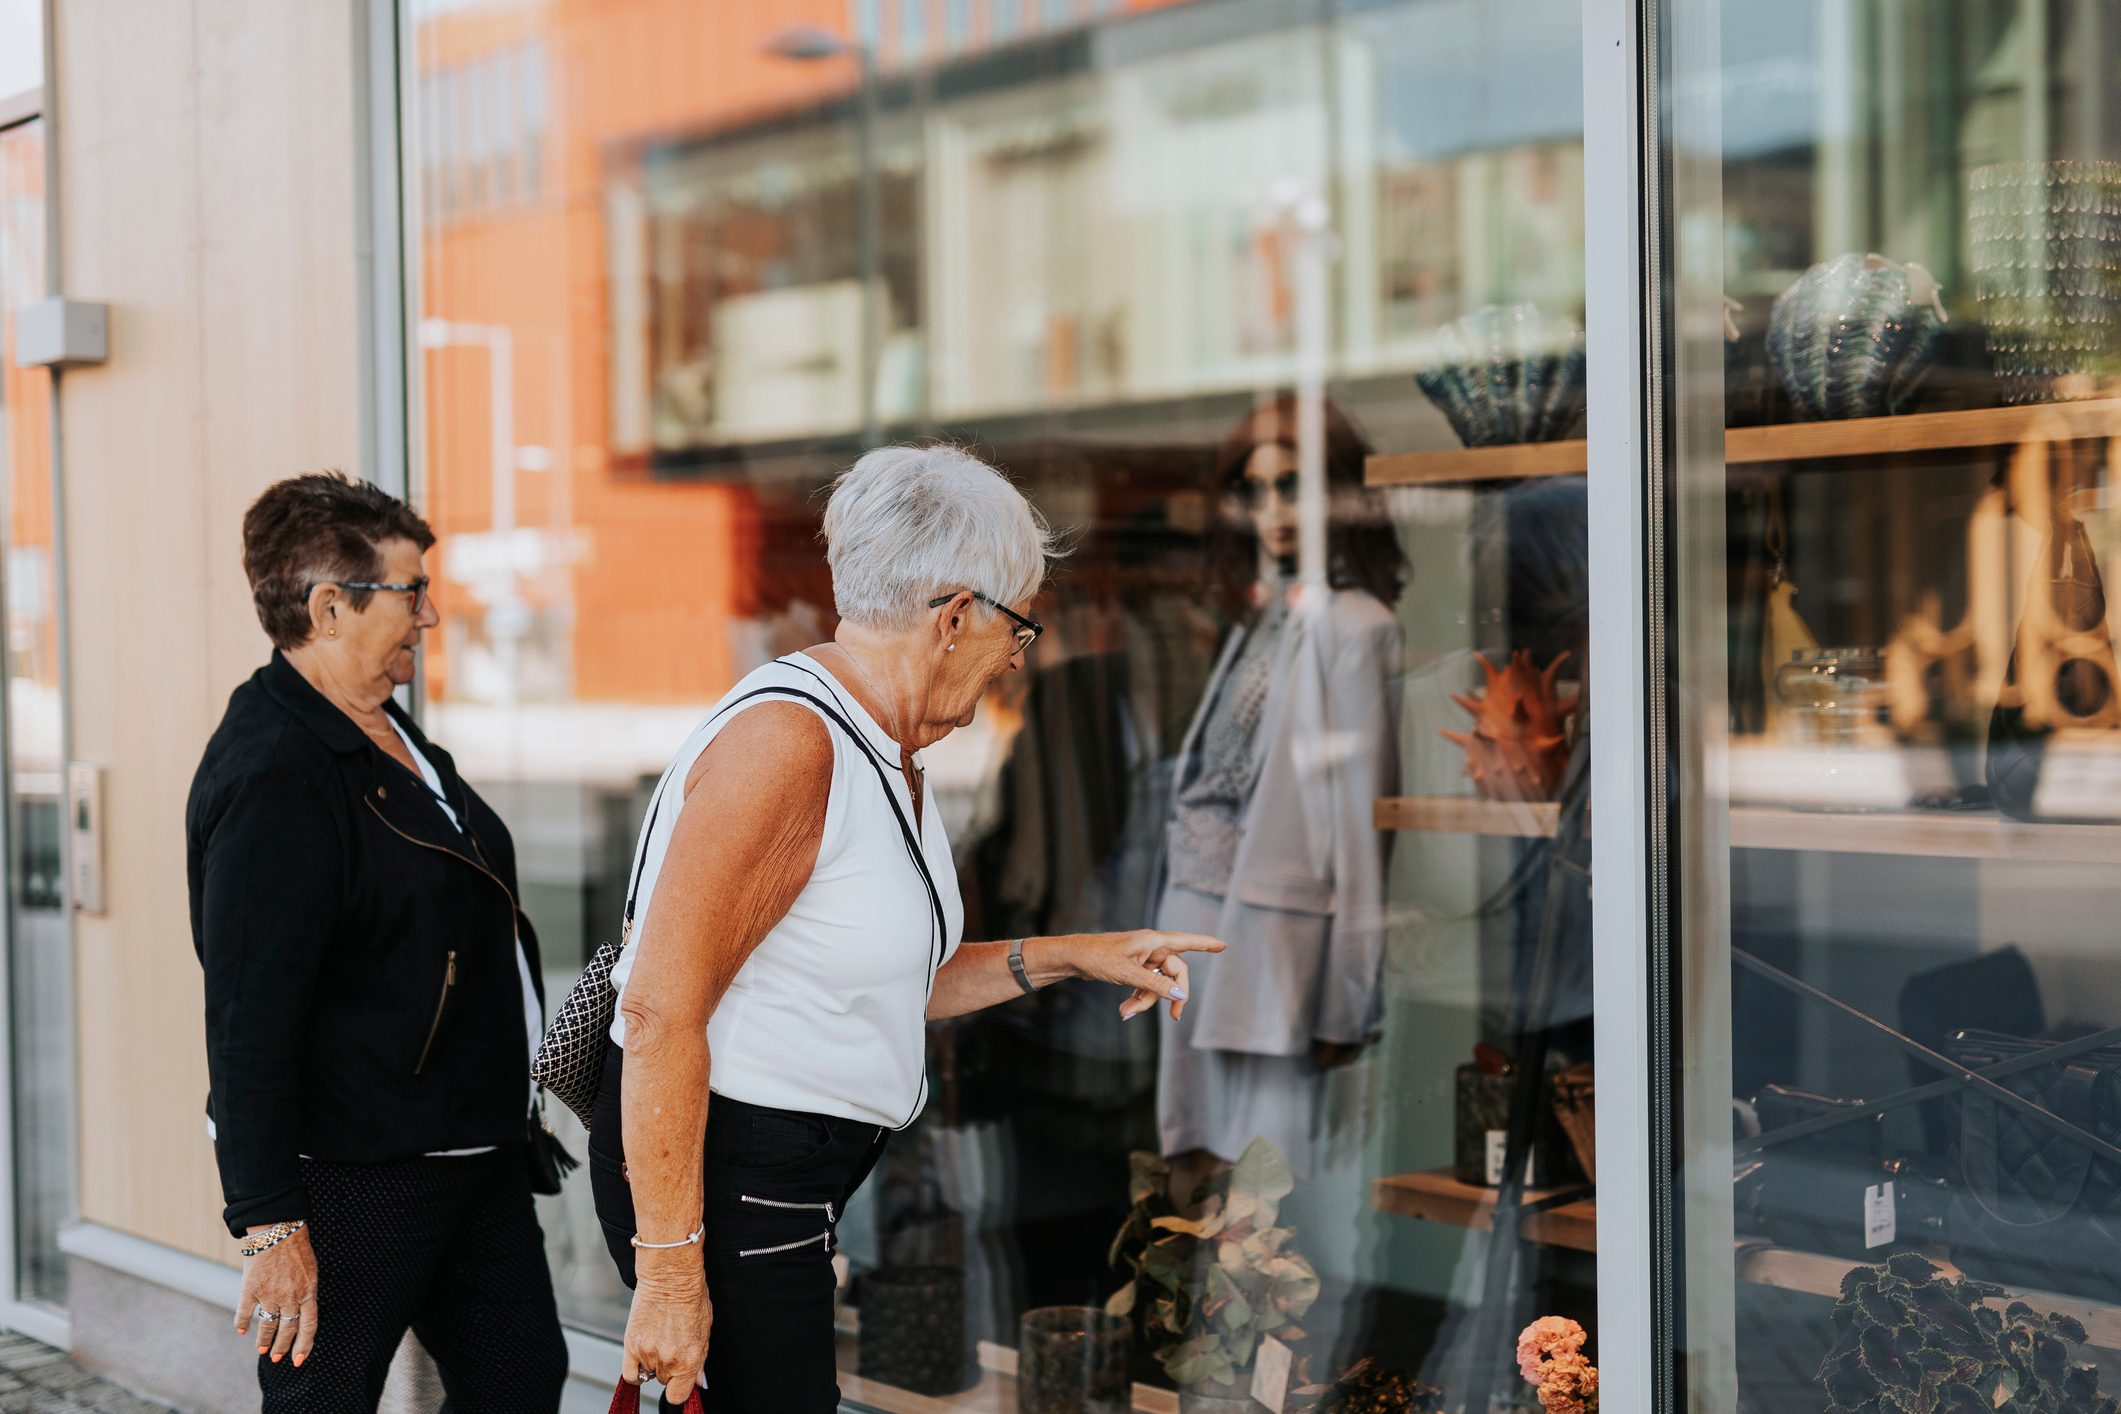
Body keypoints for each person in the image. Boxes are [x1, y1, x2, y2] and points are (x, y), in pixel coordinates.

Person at [596, 444, 1226, 1410]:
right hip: (731, 1174)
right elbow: (656, 1012)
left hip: (779, 1179)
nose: (1022, 653)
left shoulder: (880, 740)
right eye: (1018, 625)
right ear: (955, 616)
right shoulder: (792, 743)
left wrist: (1077, 957)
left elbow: (890, 974)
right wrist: (673, 1278)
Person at [187, 473, 568, 1412]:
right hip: (357, 1171)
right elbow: (248, 1018)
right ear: (329, 607)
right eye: (410, 593)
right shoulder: (277, 771)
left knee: (519, 1379)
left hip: (470, 1148)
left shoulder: (383, 728)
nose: (429, 617)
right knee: (325, 1399)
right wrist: (268, 1223)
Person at [1152, 394, 1407, 1190]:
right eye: (1254, 492)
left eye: (1291, 485)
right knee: (1189, 1183)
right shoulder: (1263, 617)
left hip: (1270, 948)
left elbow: (1366, 829)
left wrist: (1347, 1002)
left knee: (1273, 1211)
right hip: (1192, 928)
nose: (1272, 512)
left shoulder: (1354, 626)